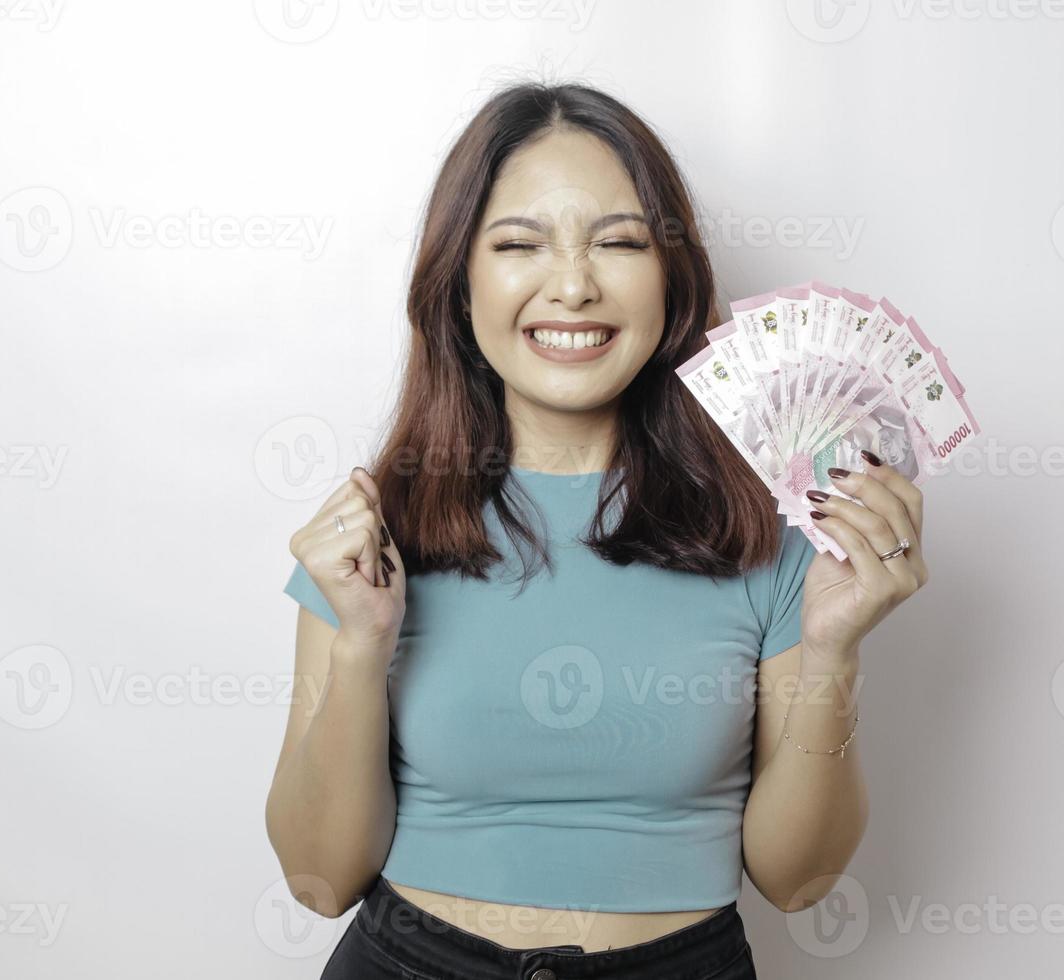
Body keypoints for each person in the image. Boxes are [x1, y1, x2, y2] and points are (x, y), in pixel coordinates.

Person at [264, 80, 929, 980]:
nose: (573, 286)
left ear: (671, 280)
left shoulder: (772, 533)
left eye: (618, 242)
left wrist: (835, 652)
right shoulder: (376, 535)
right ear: (460, 286)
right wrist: (359, 647)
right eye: (518, 245)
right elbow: (319, 879)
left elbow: (798, 880)